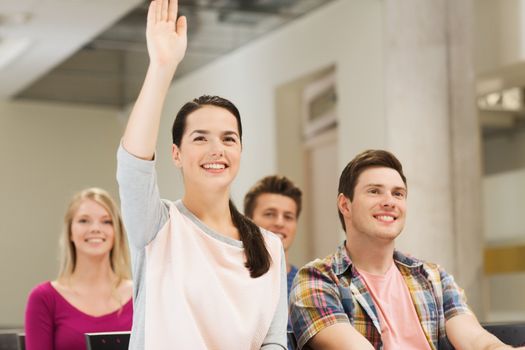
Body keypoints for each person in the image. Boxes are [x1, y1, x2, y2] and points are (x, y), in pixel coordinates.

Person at [116, 0, 287, 349]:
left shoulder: (270, 246)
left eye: (228, 139)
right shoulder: (158, 228)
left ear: (240, 150)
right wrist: (161, 67)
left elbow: (273, 341)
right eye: (200, 138)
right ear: (176, 154)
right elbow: (133, 165)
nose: (217, 150)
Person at [289, 149, 524, 350]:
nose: (389, 201)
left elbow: (475, 340)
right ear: (345, 204)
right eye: (374, 191)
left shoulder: (432, 277)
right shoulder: (317, 280)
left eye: (398, 193)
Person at [25, 188, 133, 350]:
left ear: (116, 232)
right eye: (84, 221)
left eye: (106, 221)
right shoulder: (44, 298)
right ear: (70, 231)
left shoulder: (140, 295)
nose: (96, 228)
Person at [244, 175, 302, 297]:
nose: (279, 223)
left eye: (288, 217)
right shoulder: (232, 279)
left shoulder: (307, 286)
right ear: (247, 221)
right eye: (269, 214)